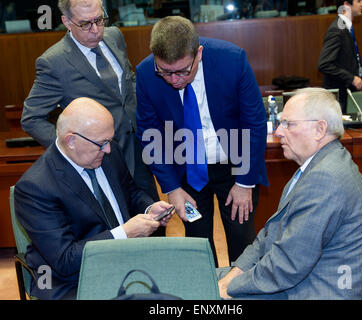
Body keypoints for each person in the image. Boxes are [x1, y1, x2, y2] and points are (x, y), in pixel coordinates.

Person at [217, 88, 362, 300]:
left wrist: (229, 288)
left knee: (199, 289)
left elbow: (287, 265)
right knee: (206, 278)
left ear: (319, 129)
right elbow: (270, 234)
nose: (278, 131)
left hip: (317, 290)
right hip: (301, 277)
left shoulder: (326, 178)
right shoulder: (318, 165)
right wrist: (233, 276)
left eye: (288, 124)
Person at [136, 16, 268, 266]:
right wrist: (172, 188)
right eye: (164, 72)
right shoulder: (145, 73)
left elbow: (254, 122)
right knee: (197, 244)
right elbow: (148, 132)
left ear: (198, 53)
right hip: (188, 173)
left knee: (242, 241)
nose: (174, 81)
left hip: (234, 167)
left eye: (183, 71)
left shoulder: (232, 60)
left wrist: (245, 181)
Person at [14, 97, 174, 300]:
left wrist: (149, 208)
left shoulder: (108, 151)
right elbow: (65, 260)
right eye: (102, 143)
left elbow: (131, 192)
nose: (108, 149)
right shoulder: (35, 188)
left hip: (127, 261)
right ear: (71, 140)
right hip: (73, 279)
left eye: (109, 140)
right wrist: (125, 233)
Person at [21, 0, 159, 202]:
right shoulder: (54, 63)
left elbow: (127, 88)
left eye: (99, 20)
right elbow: (31, 119)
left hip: (139, 153)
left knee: (154, 223)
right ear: (67, 21)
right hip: (101, 161)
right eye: (85, 24)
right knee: (120, 229)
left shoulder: (114, 36)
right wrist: (73, 149)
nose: (96, 30)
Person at [318, 0, 362, 113]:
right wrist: (351, 78)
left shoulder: (345, 27)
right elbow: (324, 64)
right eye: (358, 1)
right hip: (337, 98)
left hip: (345, 93)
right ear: (346, 4)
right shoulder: (337, 29)